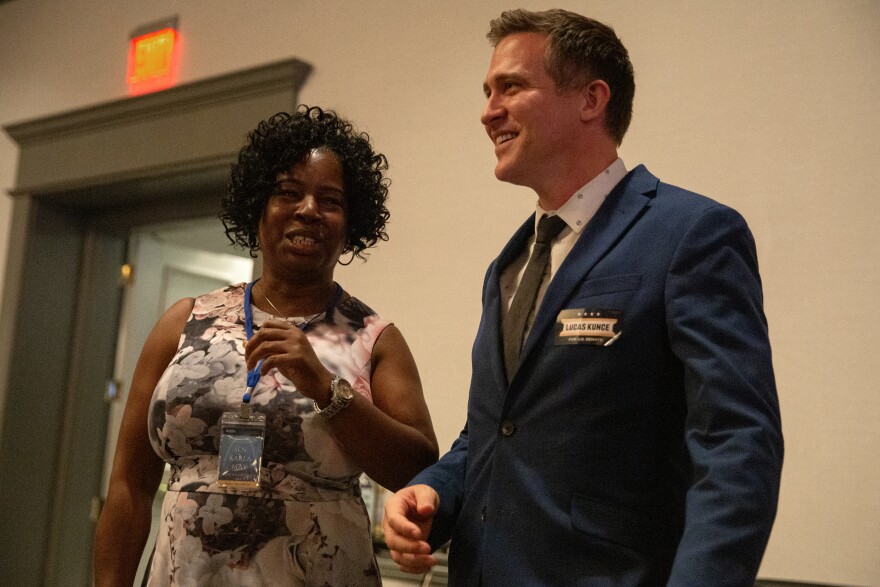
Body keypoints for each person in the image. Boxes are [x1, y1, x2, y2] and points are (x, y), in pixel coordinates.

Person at [383, 8, 783, 586]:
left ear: (591, 100)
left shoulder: (689, 234)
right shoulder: (510, 263)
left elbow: (736, 445)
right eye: (487, 91)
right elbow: (496, 433)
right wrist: (431, 492)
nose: (487, 111)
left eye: (511, 87)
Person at [94, 105, 439, 586]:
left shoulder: (375, 338)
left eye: (331, 200)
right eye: (288, 193)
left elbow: (419, 469)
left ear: (350, 222)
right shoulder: (185, 321)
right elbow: (129, 485)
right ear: (257, 206)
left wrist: (326, 388)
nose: (308, 210)